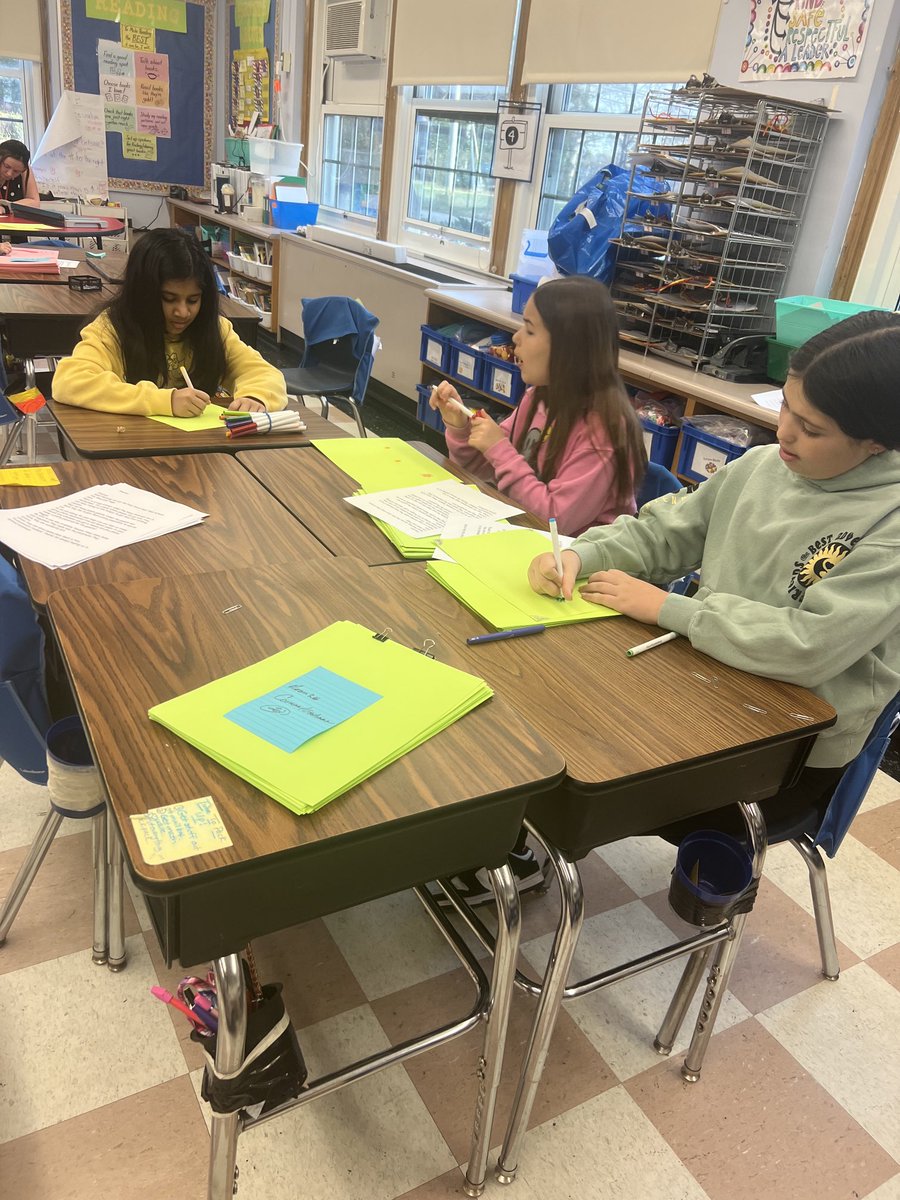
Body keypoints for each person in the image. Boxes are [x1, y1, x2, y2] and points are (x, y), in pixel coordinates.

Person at [528, 310, 900, 835]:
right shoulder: (762, 465)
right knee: (549, 706)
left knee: (584, 774)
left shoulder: (889, 524)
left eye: (812, 429)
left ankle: (533, 848)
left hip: (790, 747)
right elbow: (666, 532)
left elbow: (809, 645)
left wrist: (669, 608)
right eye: (786, 407)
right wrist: (580, 555)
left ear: (877, 444)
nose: (785, 433)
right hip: (707, 674)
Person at [429, 275, 645, 537]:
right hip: (525, 537)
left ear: (570, 347)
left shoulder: (605, 432)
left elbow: (555, 523)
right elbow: (485, 469)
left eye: (530, 330)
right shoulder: (538, 398)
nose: (516, 338)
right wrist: (462, 428)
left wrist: (499, 449)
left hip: (574, 563)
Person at [53, 227, 287, 417]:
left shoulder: (214, 329)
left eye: (193, 300)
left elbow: (264, 373)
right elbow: (69, 382)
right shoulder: (112, 328)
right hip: (131, 450)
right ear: (144, 293)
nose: (182, 312)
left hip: (200, 455)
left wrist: (255, 397)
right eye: (169, 299)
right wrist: (166, 401)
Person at [0, 139, 40, 208]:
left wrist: (6, 207)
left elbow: (34, 201)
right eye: (7, 166)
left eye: (16, 171)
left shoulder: (24, 169)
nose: (9, 174)